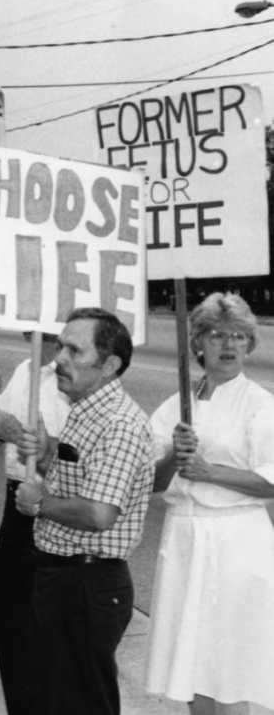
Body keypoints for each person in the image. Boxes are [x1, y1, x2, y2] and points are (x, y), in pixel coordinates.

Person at [15, 307, 153, 715]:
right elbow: (80, 482)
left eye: (74, 351)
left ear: (109, 365)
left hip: (87, 583)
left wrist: (39, 503)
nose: (59, 358)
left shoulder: (119, 423)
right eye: (60, 347)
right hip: (63, 577)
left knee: (84, 702)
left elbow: (98, 513)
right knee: (60, 695)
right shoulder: (85, 408)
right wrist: (44, 457)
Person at [144, 293, 274, 715]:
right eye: (218, 335)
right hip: (184, 541)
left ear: (251, 344)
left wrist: (208, 470)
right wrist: (172, 457)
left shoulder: (260, 404)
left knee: (232, 666)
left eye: (239, 336)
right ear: (198, 343)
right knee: (192, 665)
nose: (230, 344)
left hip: (237, 544)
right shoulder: (175, 405)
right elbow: (150, 481)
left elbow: (271, 481)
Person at [0, 332, 71, 715]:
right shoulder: (24, 369)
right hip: (15, 502)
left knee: (49, 628)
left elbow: (77, 460)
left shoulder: (69, 377)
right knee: (11, 620)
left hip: (52, 504)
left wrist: (18, 432)